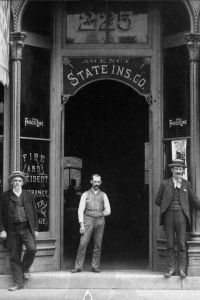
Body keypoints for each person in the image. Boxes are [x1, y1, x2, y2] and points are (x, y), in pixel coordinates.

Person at [155, 159, 200, 278]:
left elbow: (194, 199)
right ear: (172, 170)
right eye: (176, 169)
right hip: (169, 216)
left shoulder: (186, 184)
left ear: (183, 171)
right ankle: (170, 269)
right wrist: (166, 205)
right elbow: (157, 200)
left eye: (180, 169)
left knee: (181, 243)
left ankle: (181, 270)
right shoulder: (165, 184)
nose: (178, 171)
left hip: (181, 216)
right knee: (169, 243)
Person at [0, 171, 38, 291]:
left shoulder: (29, 195)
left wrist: (36, 228)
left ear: (23, 183)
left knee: (32, 249)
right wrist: (2, 230)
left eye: (19, 181)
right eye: (15, 181)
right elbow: (0, 215)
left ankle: (25, 268)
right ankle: (18, 284)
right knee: (14, 256)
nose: (17, 183)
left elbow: (35, 213)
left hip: (26, 228)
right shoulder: (5, 196)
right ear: (11, 182)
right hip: (11, 229)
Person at [71, 173, 111, 273]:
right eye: (95, 181)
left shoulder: (103, 195)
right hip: (87, 219)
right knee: (83, 242)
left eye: (98, 181)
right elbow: (80, 209)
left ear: (100, 182)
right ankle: (78, 266)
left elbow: (108, 210)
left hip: (100, 220)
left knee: (98, 244)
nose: (96, 183)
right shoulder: (85, 194)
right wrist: (81, 223)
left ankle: (95, 266)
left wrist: (100, 214)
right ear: (91, 182)